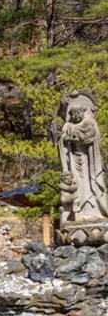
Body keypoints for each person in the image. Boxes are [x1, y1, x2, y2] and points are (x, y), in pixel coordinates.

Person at [58, 92, 108, 222]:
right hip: (73, 159)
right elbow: (62, 142)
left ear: (84, 112)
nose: (76, 116)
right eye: (73, 114)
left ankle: (95, 212)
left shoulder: (89, 122)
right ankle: (78, 215)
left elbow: (93, 137)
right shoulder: (68, 125)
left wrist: (82, 138)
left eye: (78, 113)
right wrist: (67, 140)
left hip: (89, 159)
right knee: (78, 186)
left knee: (91, 184)